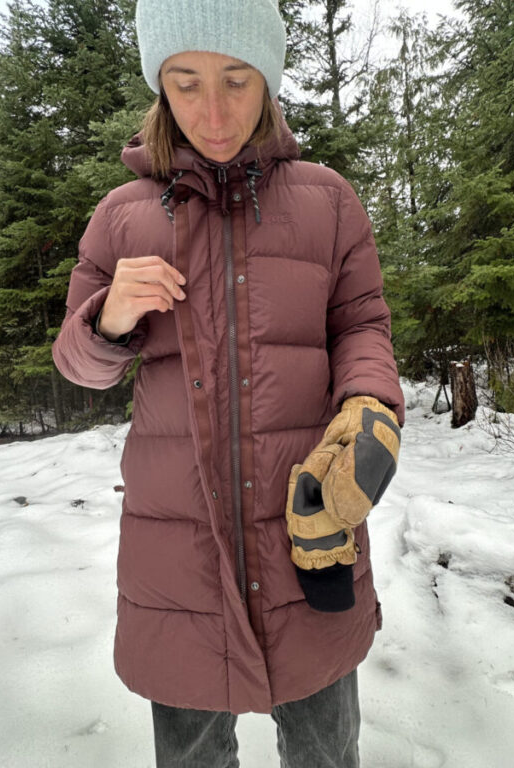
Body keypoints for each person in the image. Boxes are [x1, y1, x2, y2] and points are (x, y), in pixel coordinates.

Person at [51, 0, 404, 765]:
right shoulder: (120, 218)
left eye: (237, 81)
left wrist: (370, 404)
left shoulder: (328, 201)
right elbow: (77, 366)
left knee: (324, 749)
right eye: (185, 82)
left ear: (269, 82)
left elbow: (362, 325)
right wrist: (107, 320)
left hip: (309, 530)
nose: (212, 111)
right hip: (178, 552)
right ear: (159, 88)